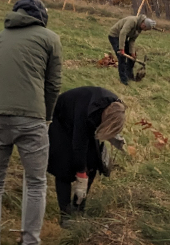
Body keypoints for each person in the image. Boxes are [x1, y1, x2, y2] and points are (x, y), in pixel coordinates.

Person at [0, 0, 62, 245]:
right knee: (36, 183)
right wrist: (46, 117)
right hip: (32, 118)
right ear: (41, 16)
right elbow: (53, 85)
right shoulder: (50, 38)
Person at [46, 86, 126, 228]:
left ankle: (78, 209)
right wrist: (81, 173)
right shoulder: (87, 111)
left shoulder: (116, 106)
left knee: (93, 164)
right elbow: (79, 144)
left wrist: (114, 137)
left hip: (84, 121)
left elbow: (107, 125)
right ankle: (66, 215)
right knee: (63, 167)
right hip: (62, 120)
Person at [108, 14, 156, 85]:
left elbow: (132, 40)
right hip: (115, 36)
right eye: (146, 29)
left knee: (132, 57)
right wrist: (121, 49)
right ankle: (123, 80)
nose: (145, 30)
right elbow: (122, 33)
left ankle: (129, 76)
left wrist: (132, 53)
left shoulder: (139, 29)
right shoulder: (132, 21)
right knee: (122, 57)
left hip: (123, 37)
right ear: (144, 25)